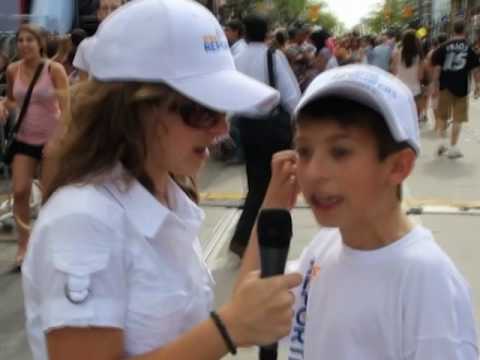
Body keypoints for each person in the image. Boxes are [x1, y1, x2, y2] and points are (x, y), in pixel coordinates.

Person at [21, 1, 302, 359]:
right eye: (201, 110)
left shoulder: (166, 193)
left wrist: (273, 204)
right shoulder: (84, 220)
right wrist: (229, 329)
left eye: (223, 109)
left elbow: (211, 324)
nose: (221, 128)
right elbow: (223, 328)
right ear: (133, 109)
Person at [237, 64, 479, 359]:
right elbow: (248, 313)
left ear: (397, 166)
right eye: (304, 151)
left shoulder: (427, 284)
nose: (313, 172)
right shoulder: (324, 247)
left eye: (340, 152)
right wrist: (270, 208)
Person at [228, 13, 301, 258]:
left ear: (245, 33)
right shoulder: (273, 56)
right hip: (273, 128)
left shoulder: (236, 57)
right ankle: (255, 238)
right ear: (267, 32)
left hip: (246, 127)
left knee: (255, 183)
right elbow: (291, 96)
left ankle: (246, 238)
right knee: (275, 184)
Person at [0, 24, 69, 270]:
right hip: (24, 139)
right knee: (19, 191)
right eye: (20, 40)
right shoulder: (12, 70)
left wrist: (56, 140)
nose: (24, 44)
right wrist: (3, 105)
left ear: (40, 43)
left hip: (51, 138)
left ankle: (50, 245)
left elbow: (66, 109)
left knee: (50, 196)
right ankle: (24, 245)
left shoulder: (54, 69)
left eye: (30, 40)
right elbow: (11, 99)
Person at [431, 19, 480, 159]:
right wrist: (477, 85)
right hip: (462, 88)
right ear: (464, 31)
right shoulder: (469, 48)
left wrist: (434, 86)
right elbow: (476, 70)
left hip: (445, 86)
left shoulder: (443, 47)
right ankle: (453, 148)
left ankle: (441, 143)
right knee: (458, 119)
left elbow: (437, 69)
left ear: (453, 30)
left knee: (442, 116)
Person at [73, 0, 125, 81]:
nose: (109, 13)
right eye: (104, 8)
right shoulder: (85, 46)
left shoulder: (135, 45)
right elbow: (83, 85)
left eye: (115, 8)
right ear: (98, 14)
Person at [390, 29, 424, 118]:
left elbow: (393, 72)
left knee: (402, 116)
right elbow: (420, 76)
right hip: (415, 90)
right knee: (414, 117)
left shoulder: (396, 53)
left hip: (400, 89)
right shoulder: (419, 55)